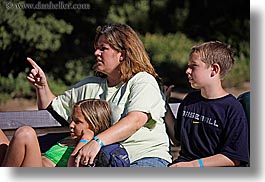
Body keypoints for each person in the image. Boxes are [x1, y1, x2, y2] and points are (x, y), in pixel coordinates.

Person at [26, 23, 172, 167]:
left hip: (144, 158)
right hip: (107, 161)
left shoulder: (142, 81)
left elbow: (135, 120)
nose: (96, 53)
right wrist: (42, 87)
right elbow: (53, 106)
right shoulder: (91, 86)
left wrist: (97, 141)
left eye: (103, 48)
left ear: (122, 54)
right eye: (97, 48)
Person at [165, 41, 249, 167]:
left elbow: (233, 158)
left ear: (214, 70)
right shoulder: (189, 100)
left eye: (194, 66)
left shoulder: (232, 109)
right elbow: (177, 140)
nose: (187, 71)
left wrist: (193, 165)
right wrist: (164, 105)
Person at [0, 99, 129, 167]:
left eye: (77, 122)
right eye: (72, 120)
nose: (71, 125)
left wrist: (86, 138)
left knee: (26, 133)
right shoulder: (70, 138)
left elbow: (74, 168)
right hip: (27, 165)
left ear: (94, 125)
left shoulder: (89, 147)